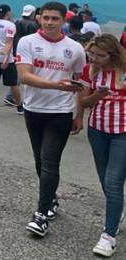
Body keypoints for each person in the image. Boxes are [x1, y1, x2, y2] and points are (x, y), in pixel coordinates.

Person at [16, 1, 85, 238]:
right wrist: (57, 85)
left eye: (55, 19)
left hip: (61, 113)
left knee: (49, 161)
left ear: (63, 21)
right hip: (33, 109)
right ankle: (52, 199)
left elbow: (80, 84)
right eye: (45, 18)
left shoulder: (75, 48)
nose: (49, 23)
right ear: (38, 18)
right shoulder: (27, 42)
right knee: (39, 161)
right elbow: (25, 77)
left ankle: (41, 214)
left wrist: (79, 114)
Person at [75, 34, 126, 257]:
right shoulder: (90, 70)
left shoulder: (124, 71)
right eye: (91, 54)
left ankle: (108, 236)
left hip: (123, 132)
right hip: (97, 131)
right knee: (105, 179)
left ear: (112, 54)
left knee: (113, 181)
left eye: (99, 55)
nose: (94, 58)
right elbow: (84, 102)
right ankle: (118, 212)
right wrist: (98, 94)